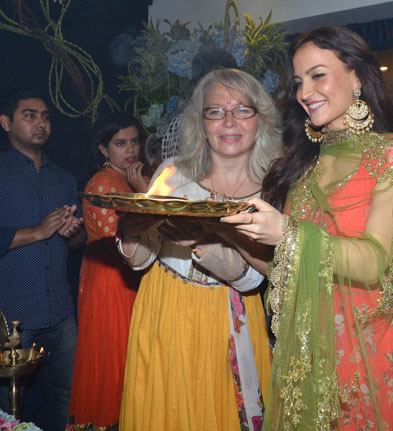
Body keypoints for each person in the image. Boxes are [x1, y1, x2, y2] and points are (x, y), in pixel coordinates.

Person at [222, 26, 393, 430]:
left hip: (367, 354)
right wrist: (224, 232)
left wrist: (286, 233)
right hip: (308, 352)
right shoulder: (304, 166)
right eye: (299, 81)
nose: (304, 92)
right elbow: (287, 267)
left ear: (357, 76)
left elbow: (375, 262)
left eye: (318, 75)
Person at [117, 68, 281, 431]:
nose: (229, 122)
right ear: (201, 122)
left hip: (231, 319)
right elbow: (140, 260)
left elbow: (255, 278)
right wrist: (129, 231)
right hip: (165, 309)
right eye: (215, 111)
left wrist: (202, 241)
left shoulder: (273, 189)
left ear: (261, 120)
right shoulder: (173, 173)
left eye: (242, 110)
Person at [0, 89, 84, 431]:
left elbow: (78, 243)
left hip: (60, 313)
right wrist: (38, 231)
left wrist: (71, 232)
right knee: (6, 410)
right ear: (6, 122)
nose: (40, 123)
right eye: (29, 115)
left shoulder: (63, 178)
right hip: (11, 318)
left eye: (45, 117)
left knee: (67, 399)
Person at [67, 112, 149, 430]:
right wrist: (144, 194)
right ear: (103, 149)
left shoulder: (125, 179)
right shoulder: (103, 183)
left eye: (134, 142)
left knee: (129, 357)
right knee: (114, 357)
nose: (130, 150)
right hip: (110, 278)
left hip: (126, 275)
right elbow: (119, 241)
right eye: (120, 143)